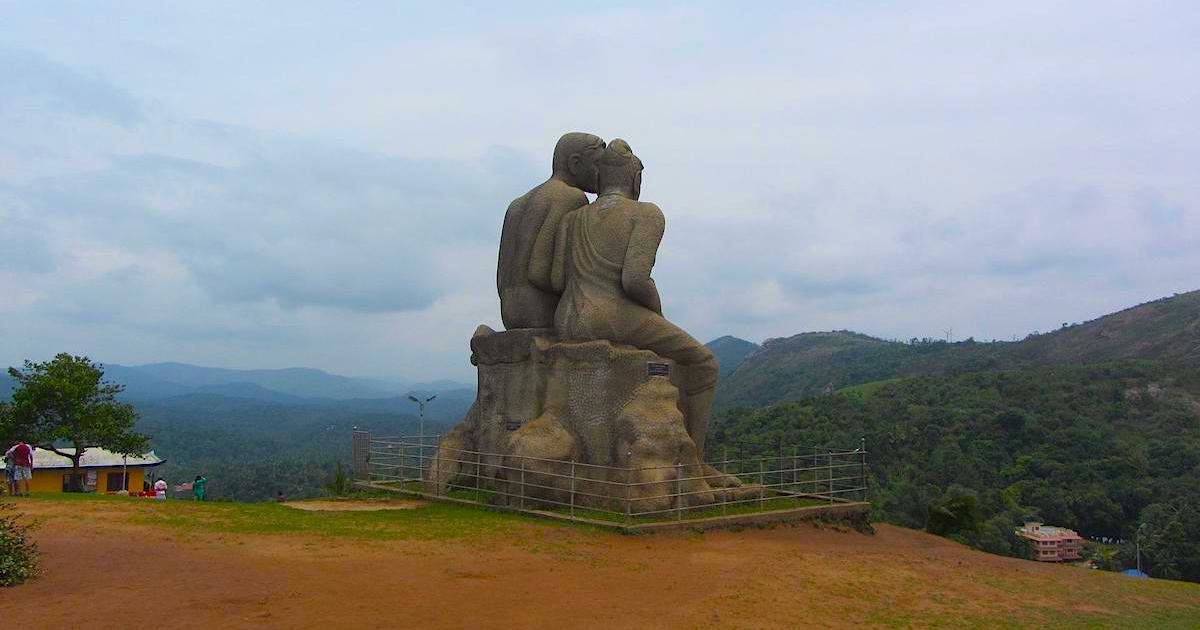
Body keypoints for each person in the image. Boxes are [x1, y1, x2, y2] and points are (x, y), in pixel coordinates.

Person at [551, 139, 719, 454]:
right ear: (635, 177)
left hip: (566, 318)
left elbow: (557, 278)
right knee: (703, 362)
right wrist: (656, 314)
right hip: (611, 315)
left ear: (600, 177)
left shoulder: (572, 219)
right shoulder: (646, 214)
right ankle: (694, 459)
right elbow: (635, 279)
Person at [497, 132, 606, 329]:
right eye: (598, 165)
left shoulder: (517, 204)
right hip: (543, 313)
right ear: (575, 163)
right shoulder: (572, 197)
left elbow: (503, 274)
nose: (602, 173)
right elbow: (542, 272)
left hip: (510, 314)